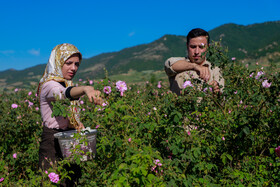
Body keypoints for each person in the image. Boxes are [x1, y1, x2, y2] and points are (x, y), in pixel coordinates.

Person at [37, 43, 102, 186]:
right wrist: (86, 88)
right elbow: (64, 95)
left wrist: (77, 124)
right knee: (52, 182)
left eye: (77, 64)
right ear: (58, 62)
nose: (73, 68)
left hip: (68, 139)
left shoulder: (65, 83)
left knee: (72, 181)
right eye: (68, 63)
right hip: (52, 142)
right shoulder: (50, 85)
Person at [165, 28, 224, 95]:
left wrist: (217, 89)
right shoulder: (179, 64)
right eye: (193, 47)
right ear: (187, 46)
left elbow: (223, 95)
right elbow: (169, 64)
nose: (197, 52)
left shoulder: (215, 70)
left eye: (201, 47)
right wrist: (195, 66)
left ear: (207, 47)